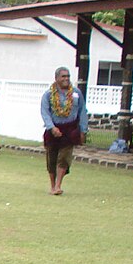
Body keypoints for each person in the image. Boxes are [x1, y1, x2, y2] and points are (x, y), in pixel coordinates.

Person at [40, 67, 88, 196]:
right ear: (56, 78)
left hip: (70, 129)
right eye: (63, 76)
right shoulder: (48, 94)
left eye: (68, 76)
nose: (66, 79)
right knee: (52, 159)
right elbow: (44, 112)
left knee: (64, 158)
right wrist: (52, 127)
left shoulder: (76, 93)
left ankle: (58, 185)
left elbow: (82, 111)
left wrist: (83, 130)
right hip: (53, 129)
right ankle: (52, 185)